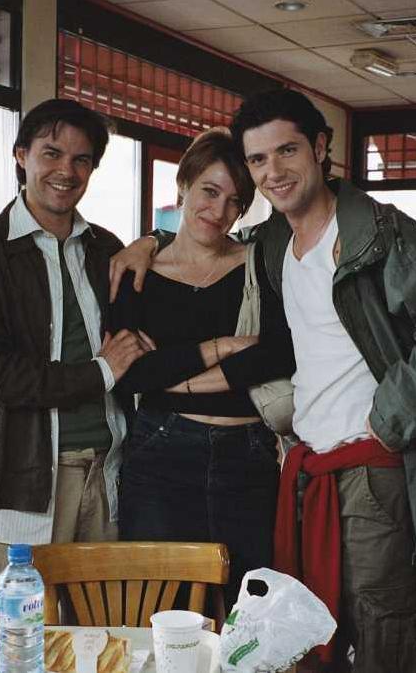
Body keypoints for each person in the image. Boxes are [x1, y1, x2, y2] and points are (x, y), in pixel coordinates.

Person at [112, 90, 416, 673]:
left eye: (287, 151)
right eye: (259, 159)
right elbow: (207, 241)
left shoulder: (375, 235)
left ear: (320, 148)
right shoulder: (274, 244)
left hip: (372, 464)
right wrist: (151, 241)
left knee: (382, 629)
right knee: (310, 632)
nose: (274, 171)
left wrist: (393, 417)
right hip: (307, 465)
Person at [0, 99, 148, 629]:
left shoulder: (105, 249)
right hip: (17, 478)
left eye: (82, 160)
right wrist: (100, 372)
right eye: (52, 153)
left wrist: (155, 241)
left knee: (100, 636)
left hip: (105, 474)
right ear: (22, 156)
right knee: (5, 641)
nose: (66, 171)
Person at [109, 127, 295, 609]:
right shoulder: (137, 273)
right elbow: (131, 375)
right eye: (209, 192)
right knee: (158, 609)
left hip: (248, 455)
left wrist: (173, 374)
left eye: (235, 202)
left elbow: (279, 353)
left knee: (249, 612)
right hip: (160, 452)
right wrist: (223, 346)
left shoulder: (259, 264)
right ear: (184, 185)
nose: (219, 211)